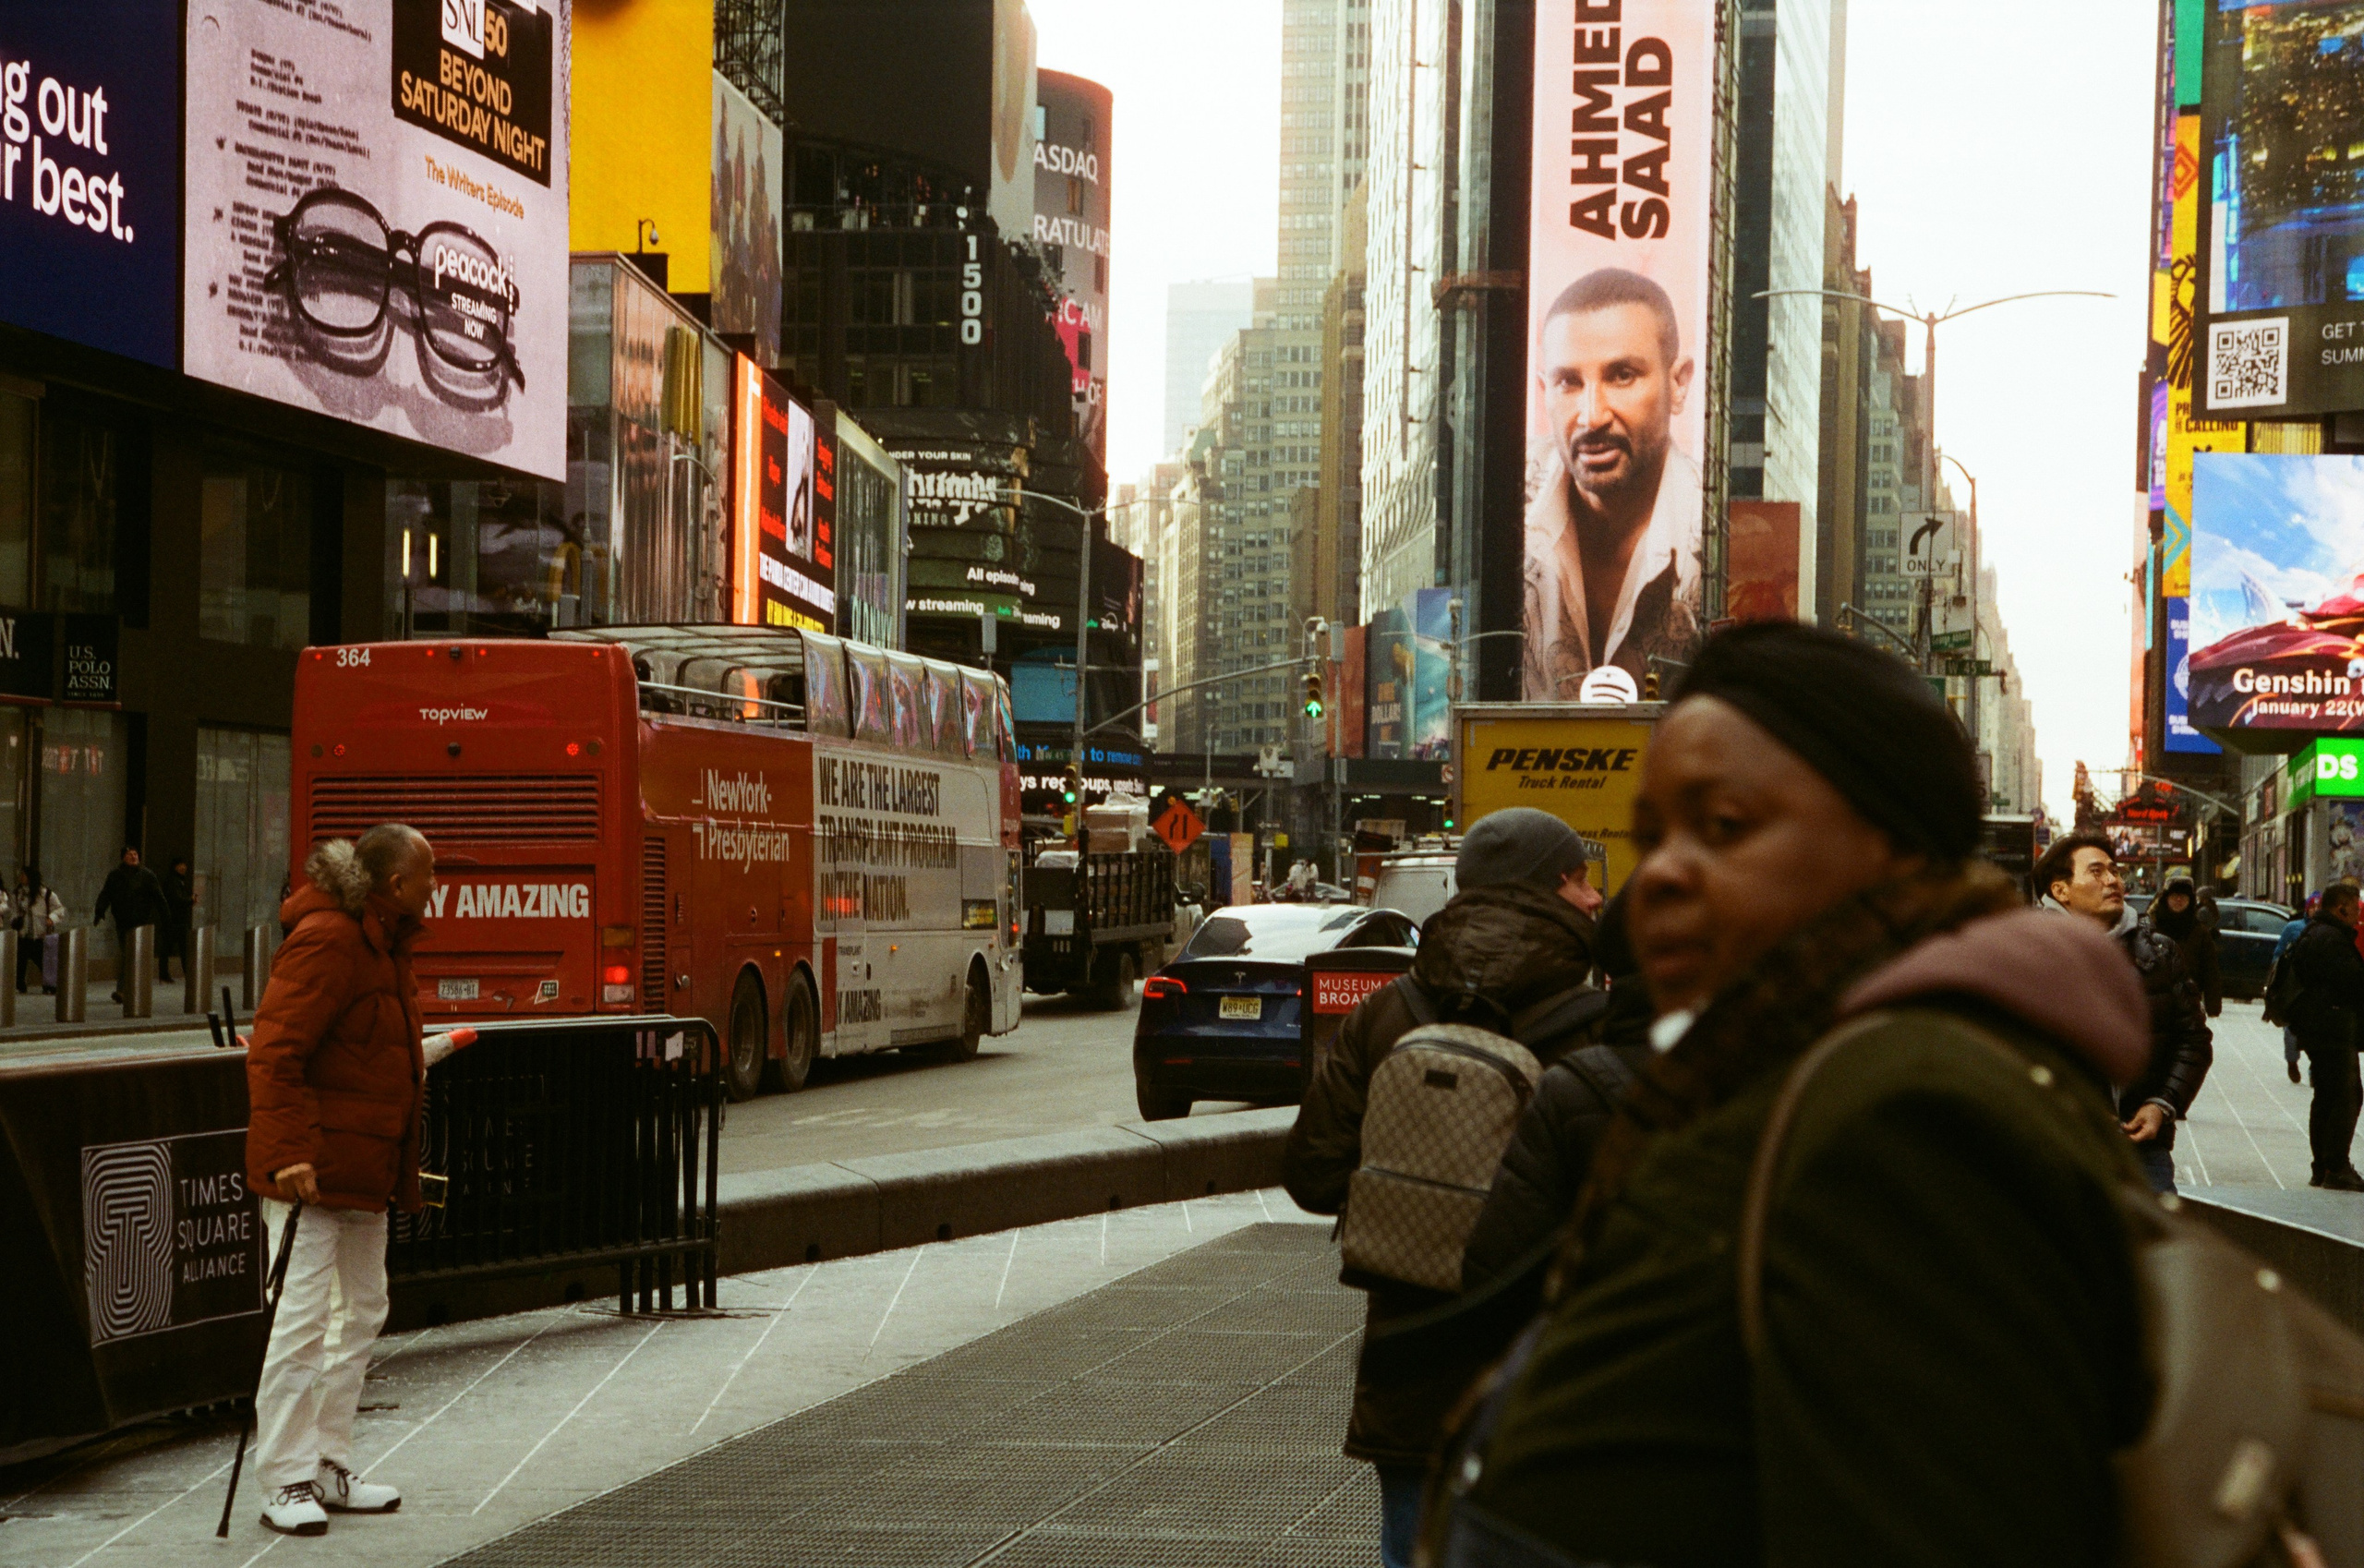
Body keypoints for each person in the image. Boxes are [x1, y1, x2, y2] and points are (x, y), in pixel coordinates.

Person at [1438, 621, 2155, 1566]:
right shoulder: (1784, 1072)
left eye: (1724, 827)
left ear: (1891, 843)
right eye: (1654, 839)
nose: (1660, 878)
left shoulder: (1910, 1118)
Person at [1282, 807, 1605, 1568]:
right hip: (1548, 1365)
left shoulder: (1387, 1010)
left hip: (1414, 1358)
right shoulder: (1597, 1023)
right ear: (1545, 888)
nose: (1594, 897)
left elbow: (1313, 1174)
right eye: (1579, 879)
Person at [245, 823, 452, 1537]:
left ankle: (328, 1461)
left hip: (364, 1171)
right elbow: (275, 1053)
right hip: (311, 1174)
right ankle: (285, 1477)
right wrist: (288, 1154)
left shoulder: (386, 944)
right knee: (301, 1323)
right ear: (396, 884)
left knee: (361, 1310)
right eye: (429, 874)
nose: (436, 886)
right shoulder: (330, 940)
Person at [1459, 886, 1652, 1291]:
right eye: (1579, 880)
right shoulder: (1779, 1077)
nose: (1594, 896)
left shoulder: (1574, 1087)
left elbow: (1497, 1271)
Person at [1521, 269, 1702, 698]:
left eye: (1622, 375)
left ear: (1678, 384)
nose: (1592, 415)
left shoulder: (1718, 533)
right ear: (1544, 391)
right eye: (1569, 382)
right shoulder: (1497, 513)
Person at [2034, 833, 2213, 1195]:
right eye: (2096, 871)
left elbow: (2193, 1040)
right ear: (2061, 890)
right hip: (2053, 1145)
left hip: (2141, 1148)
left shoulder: (2158, 953)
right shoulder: (2028, 954)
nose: (2113, 880)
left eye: (2114, 871)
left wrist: (2162, 1104)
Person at [2283, 883, 2364, 1190]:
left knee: (2327, 1096)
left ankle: (2323, 1166)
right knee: (2346, 1095)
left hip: (2320, 1028)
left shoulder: (2317, 932)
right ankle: (2336, 1166)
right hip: (2332, 1028)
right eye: (2354, 907)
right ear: (2340, 908)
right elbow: (2352, 983)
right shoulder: (2331, 938)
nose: (2358, 913)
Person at [92, 845, 169, 1000]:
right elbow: (106, 894)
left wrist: (166, 917)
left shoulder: (147, 875)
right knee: (129, 954)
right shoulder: (115, 876)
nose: (133, 857)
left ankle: (126, 990)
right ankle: (127, 990)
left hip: (141, 922)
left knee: (132, 955)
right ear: (123, 858)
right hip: (123, 922)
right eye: (129, 854)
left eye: (135, 854)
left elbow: (159, 897)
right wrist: (99, 911)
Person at [2150, 872, 2221, 1019]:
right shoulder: (2152, 928)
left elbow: (2211, 970)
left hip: (2189, 1004)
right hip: (2155, 1004)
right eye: (2174, 895)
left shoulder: (2200, 932)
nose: (2179, 899)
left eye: (2183, 896)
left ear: (2190, 900)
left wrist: (2213, 1005)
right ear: (2166, 898)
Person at [2270, 900, 2312, 1084]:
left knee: (2316, 1030)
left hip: (2314, 985)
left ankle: (2315, 1069)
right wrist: (2276, 978)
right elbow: (2279, 953)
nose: (2315, 910)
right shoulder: (2293, 927)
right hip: (2293, 983)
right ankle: (2292, 1061)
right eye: (2312, 907)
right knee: (2290, 1028)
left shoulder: (2327, 930)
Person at [9, 864, 62, 994]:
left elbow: (59, 909)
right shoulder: (17, 894)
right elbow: (13, 912)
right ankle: (20, 985)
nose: (21, 877)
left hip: (39, 935)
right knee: (20, 962)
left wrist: (52, 919)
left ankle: (50, 985)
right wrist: (15, 921)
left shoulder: (45, 894)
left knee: (43, 961)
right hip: (23, 934)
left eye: (23, 875)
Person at [162, 855, 196, 983]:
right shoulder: (173, 881)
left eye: (184, 865)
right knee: (175, 947)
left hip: (177, 919)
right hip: (175, 919)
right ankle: (167, 973)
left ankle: (168, 973)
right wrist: (190, 900)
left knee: (177, 947)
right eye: (180, 865)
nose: (183, 867)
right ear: (175, 867)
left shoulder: (178, 880)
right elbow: (177, 899)